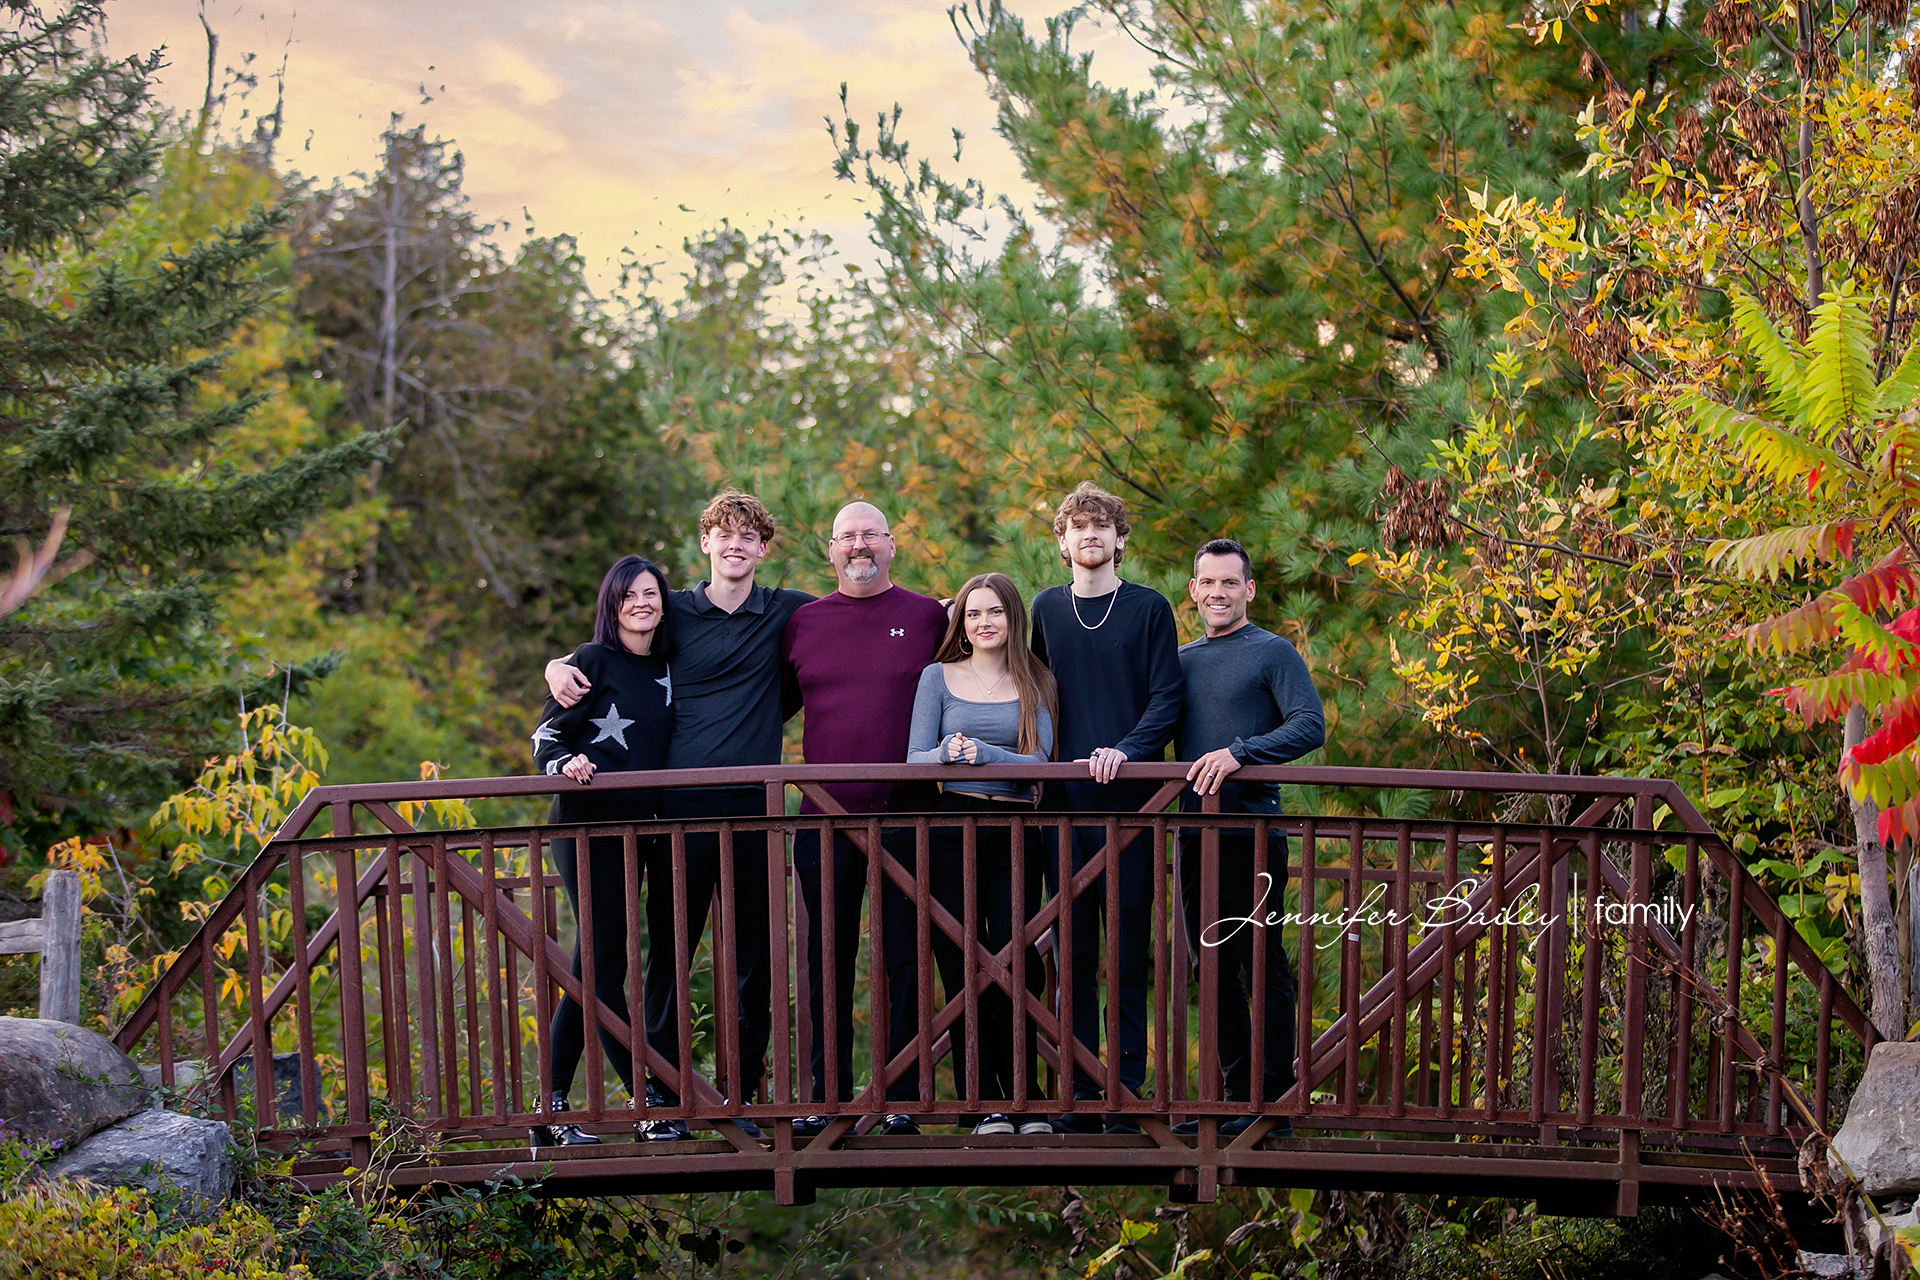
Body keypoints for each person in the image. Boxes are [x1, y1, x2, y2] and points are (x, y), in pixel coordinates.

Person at [545, 490, 812, 1140]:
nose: (736, 545)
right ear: (706, 544)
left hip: (754, 810)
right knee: (662, 959)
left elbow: (854, 621)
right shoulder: (675, 619)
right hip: (673, 817)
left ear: (764, 548)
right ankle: (663, 1097)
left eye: (749, 536)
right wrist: (557, 664)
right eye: (725, 533)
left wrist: (941, 615)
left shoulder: (788, 611)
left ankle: (742, 1098)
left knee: (755, 958)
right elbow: (607, 661)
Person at [781, 502, 948, 1137]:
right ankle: (828, 1099)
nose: (859, 546)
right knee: (827, 958)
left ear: (892, 545)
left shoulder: (929, 616)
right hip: (825, 821)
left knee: (906, 957)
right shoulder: (803, 623)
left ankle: (902, 1094)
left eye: (870, 536)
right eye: (847, 537)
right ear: (830, 550)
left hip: (912, 816)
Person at [1028, 482, 1183, 1134]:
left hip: (1132, 808)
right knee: (1072, 957)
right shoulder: (1045, 610)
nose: (1090, 535)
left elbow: (1167, 698)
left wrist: (1127, 750)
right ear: (1062, 543)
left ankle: (1124, 1089)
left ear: (1120, 539)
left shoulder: (1149, 609)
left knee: (1126, 953)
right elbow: (1023, 691)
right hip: (1061, 808)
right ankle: (1081, 1092)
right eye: (1078, 527)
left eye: (1102, 526)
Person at [1173, 538, 1324, 1140]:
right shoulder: (1180, 661)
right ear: (1193, 590)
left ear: (1249, 590)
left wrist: (1241, 753)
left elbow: (1309, 725)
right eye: (1207, 583)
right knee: (1209, 968)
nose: (1217, 593)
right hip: (1192, 832)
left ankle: (1274, 1102)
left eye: (1229, 583)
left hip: (1253, 832)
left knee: (1260, 964)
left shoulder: (1272, 652)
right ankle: (1234, 1098)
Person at [528, 555, 674, 1146]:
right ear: (611, 605)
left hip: (644, 831)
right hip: (586, 825)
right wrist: (568, 763)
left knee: (597, 967)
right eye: (628, 595)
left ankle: (554, 1108)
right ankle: (643, 1100)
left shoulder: (672, 664)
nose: (641, 603)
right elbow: (544, 737)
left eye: (650, 593)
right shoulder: (589, 663)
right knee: (598, 966)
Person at [906, 572, 1057, 1136]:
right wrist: (947, 752)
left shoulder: (1036, 679)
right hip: (952, 828)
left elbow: (1042, 762)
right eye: (972, 614)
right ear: (961, 623)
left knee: (1015, 960)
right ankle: (981, 1099)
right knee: (962, 961)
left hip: (1017, 829)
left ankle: (1024, 1095)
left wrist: (988, 755)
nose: (983, 622)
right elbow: (914, 759)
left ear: (1013, 619)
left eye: (994, 612)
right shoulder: (936, 677)